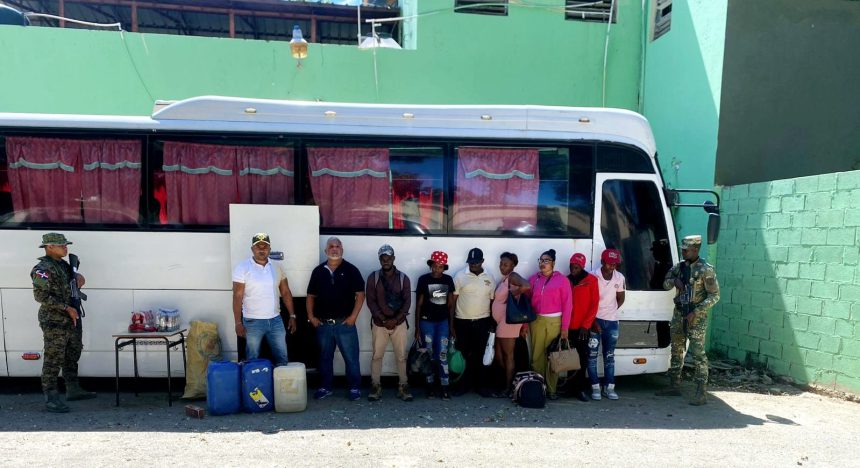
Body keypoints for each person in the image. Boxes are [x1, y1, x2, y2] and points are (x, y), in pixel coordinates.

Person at [31, 232, 96, 413]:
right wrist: (66, 307)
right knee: (53, 359)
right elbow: (40, 296)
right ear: (49, 247)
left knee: (72, 353)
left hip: (71, 318)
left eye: (66, 245)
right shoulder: (42, 269)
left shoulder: (64, 266)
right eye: (61, 245)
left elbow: (71, 284)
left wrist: (78, 278)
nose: (65, 248)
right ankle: (51, 398)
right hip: (55, 320)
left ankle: (73, 389)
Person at [656, 235, 720, 406]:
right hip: (679, 314)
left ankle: (701, 391)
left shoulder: (706, 269)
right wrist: (674, 280)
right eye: (682, 249)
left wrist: (697, 311)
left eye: (686, 250)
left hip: (696, 318)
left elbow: (715, 295)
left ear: (696, 249)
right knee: (676, 350)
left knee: (699, 355)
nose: (683, 252)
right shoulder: (679, 267)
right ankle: (674, 385)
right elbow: (665, 284)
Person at [307, 237, 365, 401]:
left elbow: (360, 295)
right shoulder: (318, 271)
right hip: (323, 324)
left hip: (345, 324)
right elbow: (311, 296)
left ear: (342, 250)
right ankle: (325, 387)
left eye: (337, 246)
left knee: (351, 358)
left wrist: (353, 317)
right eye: (331, 246)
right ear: (325, 251)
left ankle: (354, 388)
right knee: (324, 358)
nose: (334, 249)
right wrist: (311, 316)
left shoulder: (351, 270)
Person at [232, 233, 296, 367]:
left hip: (275, 321)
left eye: (265, 246)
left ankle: (282, 387)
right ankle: (253, 387)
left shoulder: (277, 266)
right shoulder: (242, 267)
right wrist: (238, 322)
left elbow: (285, 292)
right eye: (258, 246)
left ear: (270, 249)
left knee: (282, 358)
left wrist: (292, 315)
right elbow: (237, 296)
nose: (261, 249)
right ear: (252, 249)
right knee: (252, 359)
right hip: (252, 322)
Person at [366, 244, 413, 402]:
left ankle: (403, 386)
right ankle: (375, 386)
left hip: (398, 324)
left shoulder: (403, 278)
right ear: (380, 260)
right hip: (380, 324)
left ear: (393, 258)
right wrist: (384, 319)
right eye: (383, 258)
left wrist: (395, 319)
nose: (386, 261)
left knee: (401, 357)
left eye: (388, 258)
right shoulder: (373, 278)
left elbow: (407, 302)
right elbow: (371, 302)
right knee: (377, 356)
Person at [526, 248, 572, 400]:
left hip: (554, 322)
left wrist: (565, 327)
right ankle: (539, 387)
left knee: (554, 357)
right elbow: (526, 302)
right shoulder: (533, 279)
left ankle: (552, 390)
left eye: (546, 261)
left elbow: (567, 305)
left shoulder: (562, 280)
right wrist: (525, 324)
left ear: (553, 263)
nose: (542, 263)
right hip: (537, 321)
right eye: (541, 260)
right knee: (536, 356)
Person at [451, 247, 496, 397]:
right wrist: (451, 324)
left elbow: (492, 302)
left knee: (480, 354)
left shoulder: (489, 277)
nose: (473, 265)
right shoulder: (459, 276)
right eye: (471, 262)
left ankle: (481, 386)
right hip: (462, 322)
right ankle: (462, 386)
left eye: (476, 262)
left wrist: (491, 322)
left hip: (482, 321)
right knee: (463, 354)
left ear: (482, 261)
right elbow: (452, 302)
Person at [415, 250, 456, 400]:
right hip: (426, 322)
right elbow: (418, 305)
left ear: (444, 267)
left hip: (443, 323)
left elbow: (451, 305)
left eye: (440, 266)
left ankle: (445, 386)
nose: (437, 269)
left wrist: (451, 326)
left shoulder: (448, 280)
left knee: (442, 355)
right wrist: (417, 327)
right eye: (435, 266)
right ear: (431, 265)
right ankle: (430, 386)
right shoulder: (423, 280)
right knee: (429, 355)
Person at [490, 252, 531, 398]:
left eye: (505, 264)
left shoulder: (513, 276)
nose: (502, 266)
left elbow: (526, 285)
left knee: (508, 356)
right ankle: (507, 383)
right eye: (501, 263)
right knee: (500, 356)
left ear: (513, 265)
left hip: (508, 323)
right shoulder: (504, 279)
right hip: (501, 322)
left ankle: (508, 389)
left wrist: (516, 292)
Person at [589, 248, 626, 400]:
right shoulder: (592, 276)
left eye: (615, 264)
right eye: (610, 263)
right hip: (594, 320)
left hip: (611, 322)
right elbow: (587, 301)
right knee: (591, 356)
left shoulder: (619, 277)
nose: (612, 266)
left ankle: (609, 388)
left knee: (609, 356)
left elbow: (621, 298)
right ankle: (595, 387)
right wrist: (592, 320)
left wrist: (610, 312)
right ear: (602, 262)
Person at [566, 253, 599, 402]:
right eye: (572, 266)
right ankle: (569, 388)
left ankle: (580, 389)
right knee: (568, 357)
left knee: (582, 358)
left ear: (582, 266)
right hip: (568, 326)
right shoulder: (567, 280)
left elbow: (594, 305)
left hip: (582, 328)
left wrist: (586, 325)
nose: (574, 269)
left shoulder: (591, 280)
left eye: (577, 266)